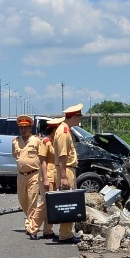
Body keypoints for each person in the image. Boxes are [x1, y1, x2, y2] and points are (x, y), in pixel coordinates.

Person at [12, 114, 47, 239]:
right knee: (23, 200)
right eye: (21, 128)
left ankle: (31, 226)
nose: (23, 130)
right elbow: (15, 156)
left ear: (30, 128)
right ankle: (31, 221)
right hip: (21, 175)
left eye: (26, 127)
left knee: (32, 200)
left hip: (34, 174)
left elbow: (43, 155)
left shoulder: (37, 141)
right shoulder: (15, 141)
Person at [53, 103, 83, 243]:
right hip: (66, 170)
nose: (79, 120)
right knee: (68, 202)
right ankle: (65, 234)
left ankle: (66, 232)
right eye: (79, 117)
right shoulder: (64, 131)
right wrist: (64, 177)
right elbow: (63, 156)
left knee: (68, 201)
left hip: (67, 169)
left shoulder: (64, 129)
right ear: (74, 116)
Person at [39, 117, 61, 239]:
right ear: (53, 131)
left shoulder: (54, 142)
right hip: (47, 176)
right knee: (45, 204)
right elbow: (42, 161)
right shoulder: (46, 142)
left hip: (54, 176)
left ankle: (47, 230)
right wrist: (45, 179)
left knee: (50, 204)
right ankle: (33, 227)